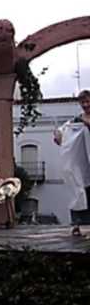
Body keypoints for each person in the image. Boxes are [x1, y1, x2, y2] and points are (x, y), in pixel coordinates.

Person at [54, 89, 90, 236]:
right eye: (83, 102)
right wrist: (59, 136)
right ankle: (77, 224)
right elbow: (64, 140)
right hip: (80, 164)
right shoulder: (75, 122)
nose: (86, 105)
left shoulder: (81, 121)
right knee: (77, 191)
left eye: (88, 101)